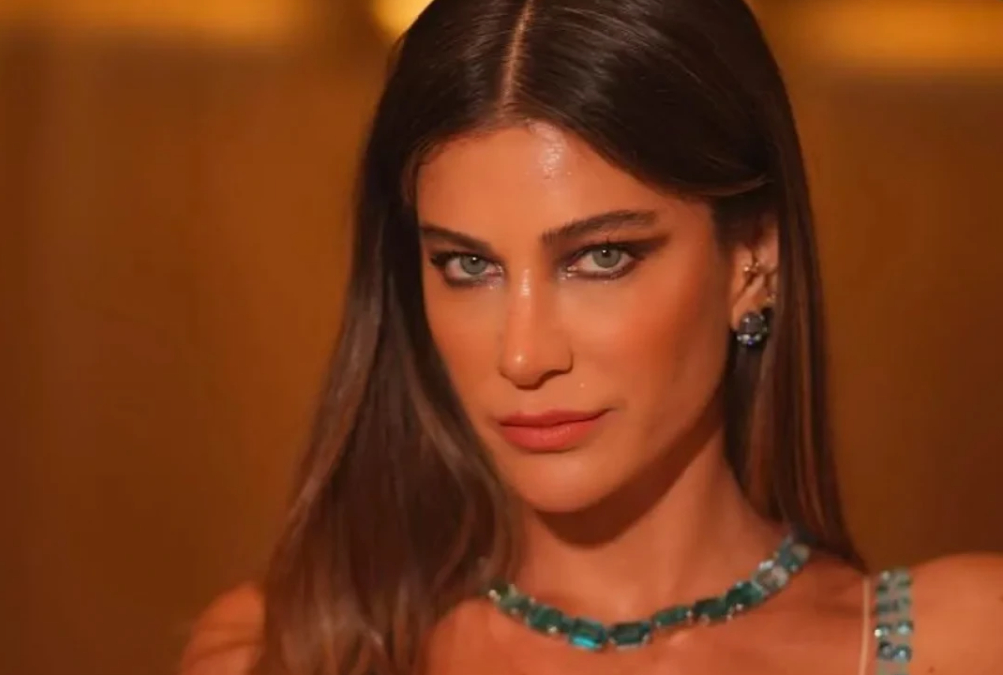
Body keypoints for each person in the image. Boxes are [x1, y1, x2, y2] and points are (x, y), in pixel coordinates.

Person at [183, 0, 1003, 673]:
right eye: (469, 265)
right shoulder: (287, 650)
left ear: (752, 259)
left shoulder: (965, 641)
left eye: (601, 257)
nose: (523, 354)